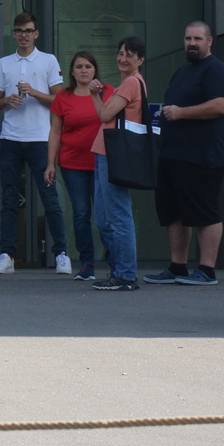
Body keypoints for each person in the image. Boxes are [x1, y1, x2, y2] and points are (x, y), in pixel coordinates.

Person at [143, 21, 224, 287]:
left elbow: (220, 105)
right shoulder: (183, 71)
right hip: (173, 155)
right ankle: (177, 267)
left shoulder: (216, 70)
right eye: (187, 38)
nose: (191, 43)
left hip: (204, 155)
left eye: (197, 38)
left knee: (204, 212)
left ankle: (207, 270)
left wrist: (182, 113)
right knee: (175, 213)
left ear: (209, 41)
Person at [0, 11, 69, 274]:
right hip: (10, 139)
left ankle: (62, 254)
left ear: (36, 34)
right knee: (9, 198)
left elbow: (60, 101)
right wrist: (7, 100)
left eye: (28, 31)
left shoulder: (47, 60)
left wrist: (34, 92)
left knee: (50, 198)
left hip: (40, 139)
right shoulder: (4, 63)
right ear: (13, 34)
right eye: (19, 31)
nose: (23, 35)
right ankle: (6, 256)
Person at [45, 51, 111, 281]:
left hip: (102, 163)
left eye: (88, 66)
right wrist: (49, 164)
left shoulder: (106, 91)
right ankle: (87, 264)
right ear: (72, 72)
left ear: (95, 71)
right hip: (73, 164)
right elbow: (55, 132)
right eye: (79, 66)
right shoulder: (63, 97)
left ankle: (115, 260)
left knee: (105, 214)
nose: (84, 70)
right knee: (82, 214)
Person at [89, 36, 147, 291]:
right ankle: (120, 270)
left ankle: (125, 274)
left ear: (140, 60)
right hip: (106, 153)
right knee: (105, 217)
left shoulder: (131, 83)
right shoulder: (133, 83)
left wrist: (94, 95)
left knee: (118, 215)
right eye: (121, 52)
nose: (123, 58)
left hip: (112, 154)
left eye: (130, 55)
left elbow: (104, 114)